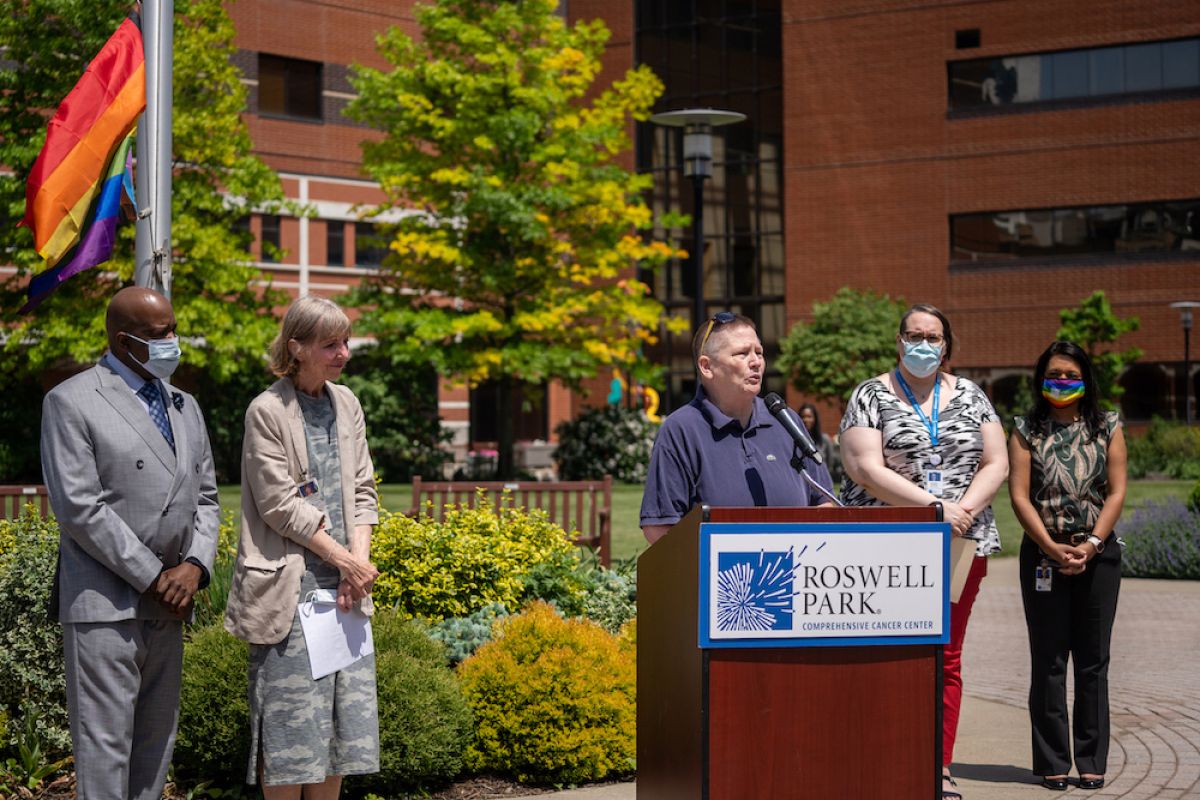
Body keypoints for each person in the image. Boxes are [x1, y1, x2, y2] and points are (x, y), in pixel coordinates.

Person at [40, 287, 219, 800]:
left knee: (155, 745)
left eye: (173, 329)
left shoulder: (185, 405)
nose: (173, 342)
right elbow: (80, 506)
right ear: (124, 341)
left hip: (171, 601)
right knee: (104, 747)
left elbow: (206, 497)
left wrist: (194, 567)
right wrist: (152, 573)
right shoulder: (71, 401)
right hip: (106, 602)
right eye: (161, 335)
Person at [837, 303, 1008, 800]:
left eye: (932, 337)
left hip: (958, 543)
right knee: (879, 652)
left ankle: (939, 764)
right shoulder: (870, 394)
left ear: (947, 346)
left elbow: (995, 462)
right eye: (913, 335)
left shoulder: (973, 395)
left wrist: (961, 512)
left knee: (945, 656)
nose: (923, 345)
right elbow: (865, 468)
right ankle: (876, 759)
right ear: (898, 341)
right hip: (885, 544)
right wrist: (936, 506)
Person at [224, 297, 381, 798]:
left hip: (348, 590)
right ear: (297, 347)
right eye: (330, 344)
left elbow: (363, 489)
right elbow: (279, 505)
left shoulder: (347, 402)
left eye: (345, 342)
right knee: (291, 733)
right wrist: (344, 560)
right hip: (291, 593)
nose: (343, 353)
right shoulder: (267, 411)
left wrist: (358, 564)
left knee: (340, 730)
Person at [1008, 341, 1126, 792]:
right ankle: (1052, 762)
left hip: (1099, 557)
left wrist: (1093, 543)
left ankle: (1092, 760)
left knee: (1093, 662)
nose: (1061, 382)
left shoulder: (1108, 426)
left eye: (1070, 374)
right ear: (1041, 378)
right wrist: (1052, 548)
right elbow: (1019, 495)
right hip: (1043, 556)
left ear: (1085, 378)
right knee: (1050, 661)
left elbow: (1116, 491)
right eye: (1053, 374)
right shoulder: (1025, 429)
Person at [640, 312, 834, 543]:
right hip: (723, 576)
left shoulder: (785, 420)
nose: (756, 362)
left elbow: (825, 503)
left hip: (795, 569)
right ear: (707, 366)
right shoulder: (681, 429)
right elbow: (660, 527)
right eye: (742, 353)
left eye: (759, 352)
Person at [798, 402, 842, 484]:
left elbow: (830, 463)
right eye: (803, 417)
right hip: (801, 483)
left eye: (809, 417)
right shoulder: (794, 440)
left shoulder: (824, 440)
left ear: (815, 419)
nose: (806, 420)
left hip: (821, 482)